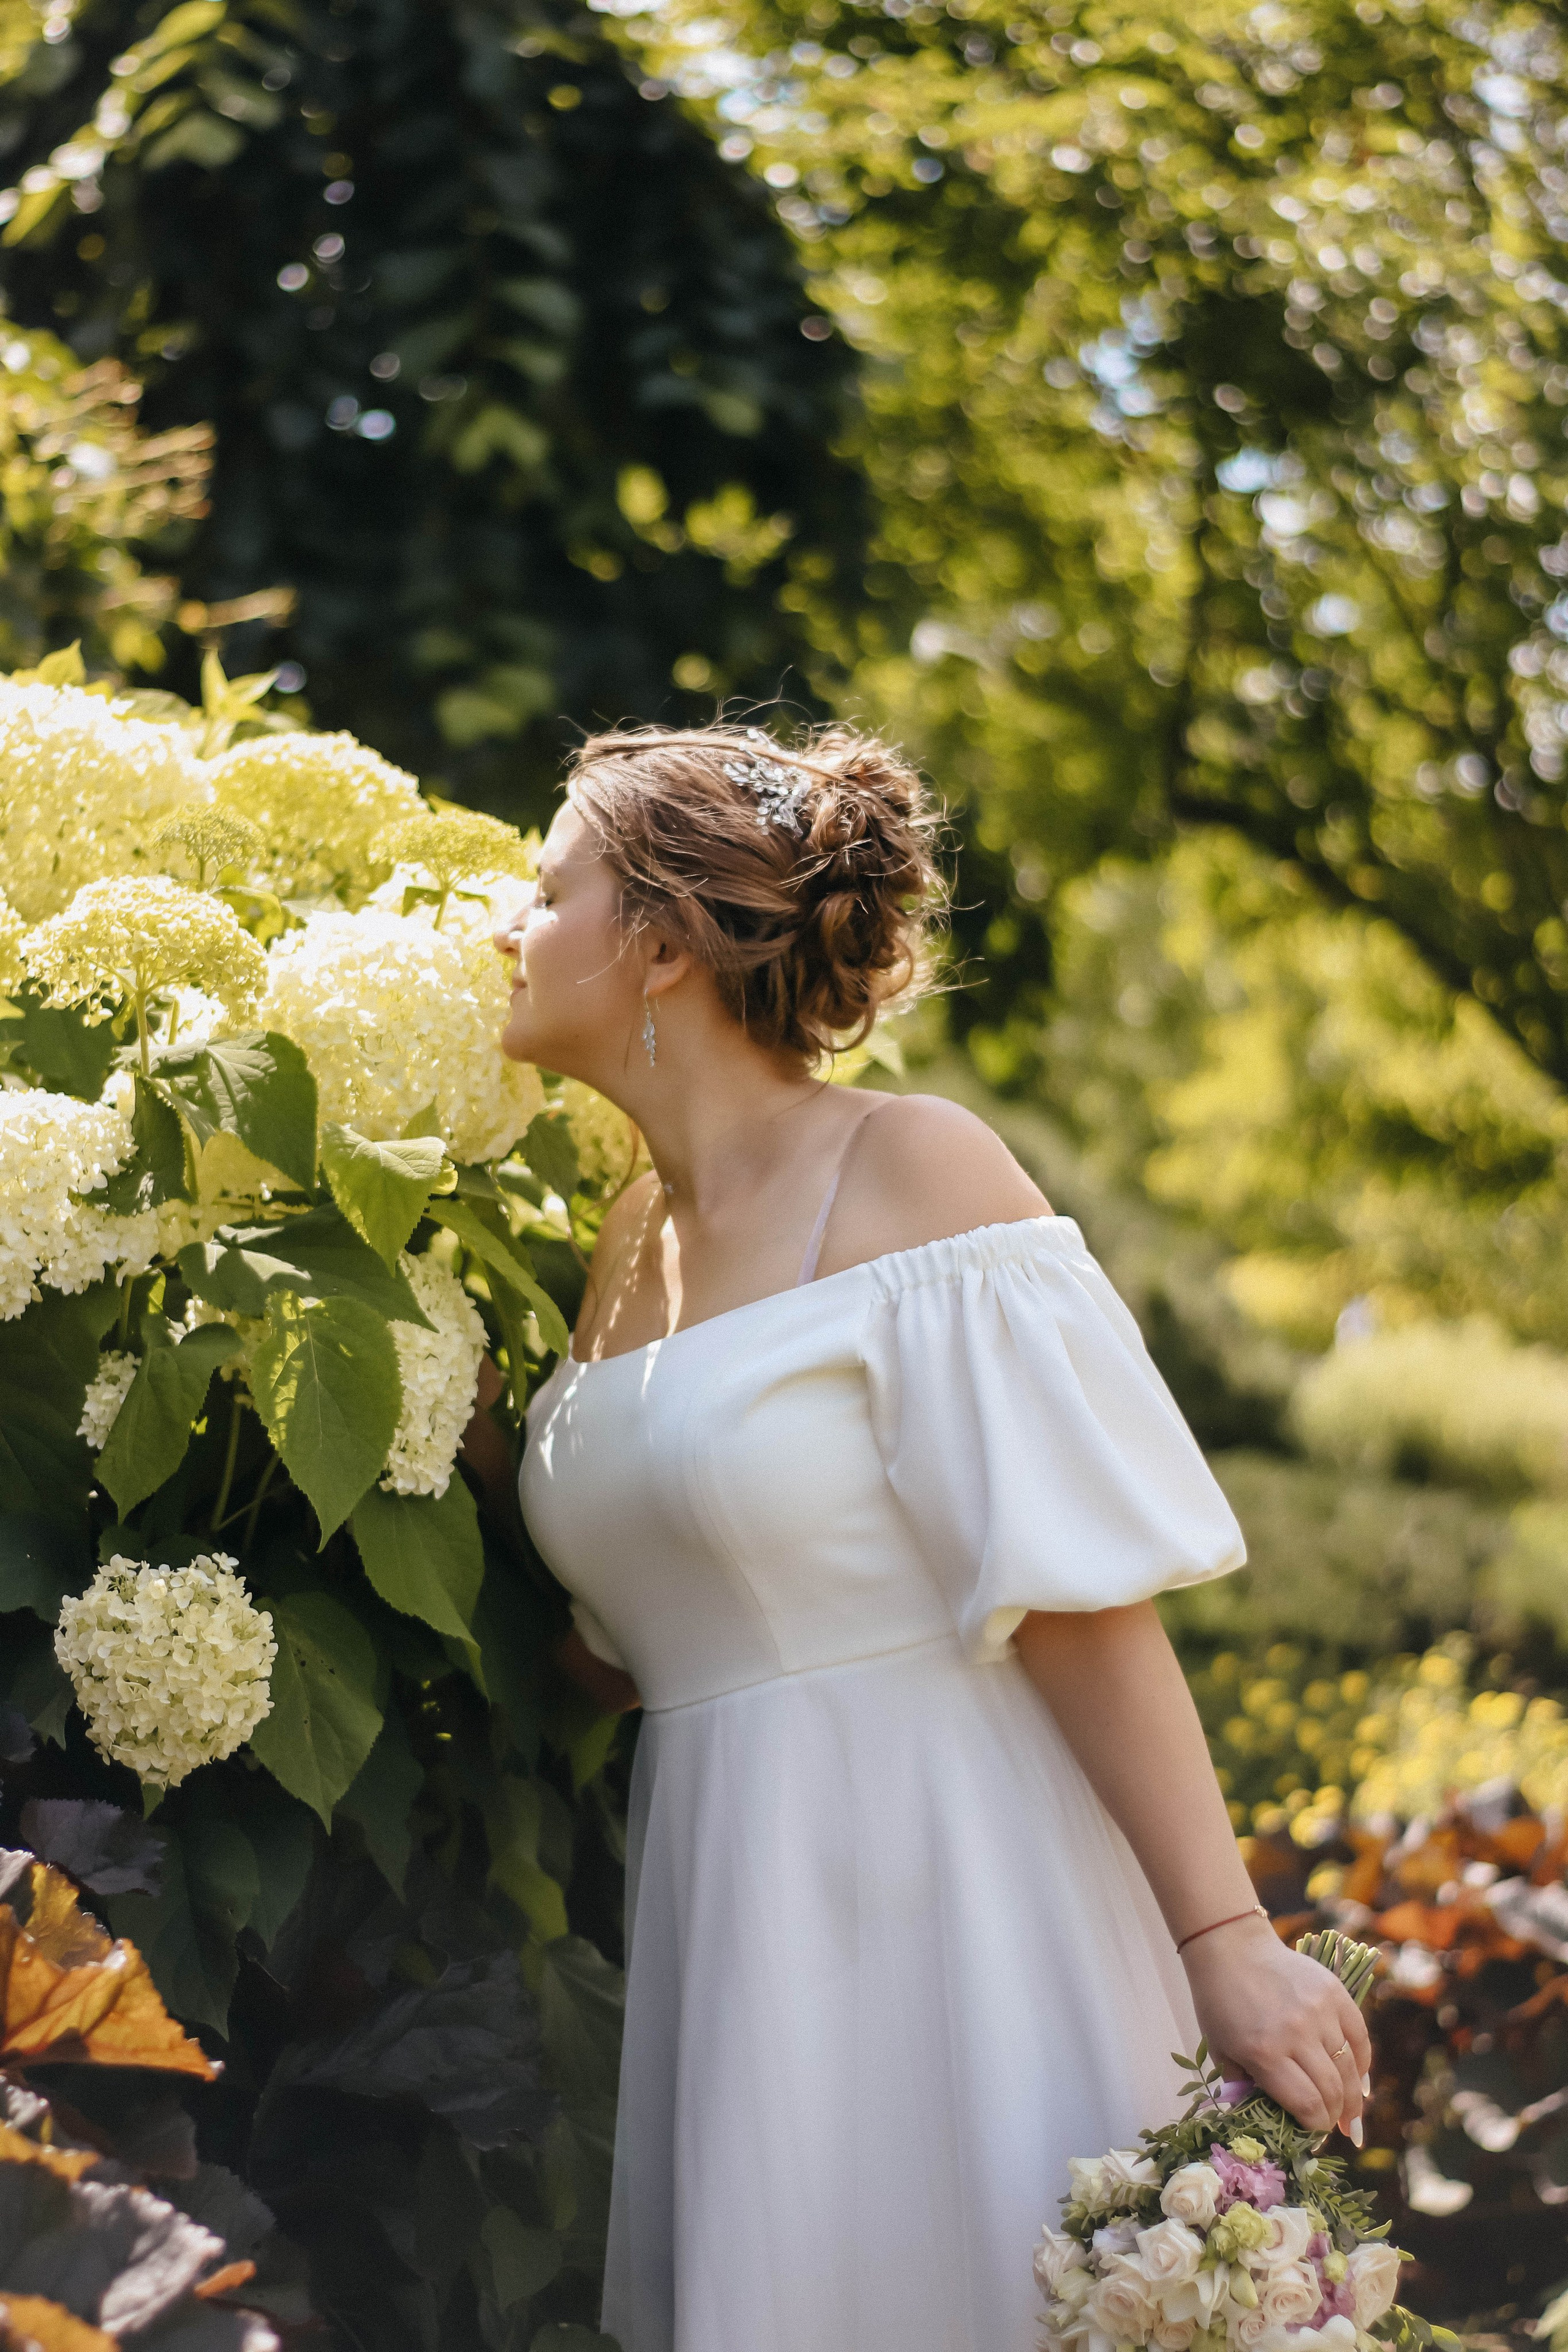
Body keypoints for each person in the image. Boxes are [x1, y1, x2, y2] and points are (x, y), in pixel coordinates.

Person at [488, 720, 1371, 2352]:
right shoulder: (625, 1246)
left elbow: (1079, 1602)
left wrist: (1227, 1943)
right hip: (739, 1918)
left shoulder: (915, 1170)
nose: (503, 926)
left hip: (956, 1886)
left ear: (664, 945)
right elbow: (639, 1641)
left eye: (548, 890)